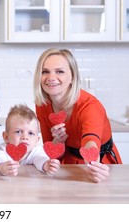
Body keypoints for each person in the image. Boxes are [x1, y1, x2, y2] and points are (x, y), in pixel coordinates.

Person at [33, 48, 122, 183]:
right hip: (66, 166)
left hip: (101, 166)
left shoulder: (90, 106)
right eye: (45, 72)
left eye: (59, 71)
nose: (51, 77)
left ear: (72, 77)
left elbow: (91, 142)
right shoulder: (42, 105)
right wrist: (57, 143)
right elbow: (50, 149)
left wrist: (93, 166)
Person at [0, 104, 60, 176]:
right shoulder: (1, 149)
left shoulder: (36, 151)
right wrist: (2, 167)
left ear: (37, 140)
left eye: (31, 133)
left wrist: (47, 165)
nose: (25, 137)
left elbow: (41, 159)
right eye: (18, 132)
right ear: (6, 137)